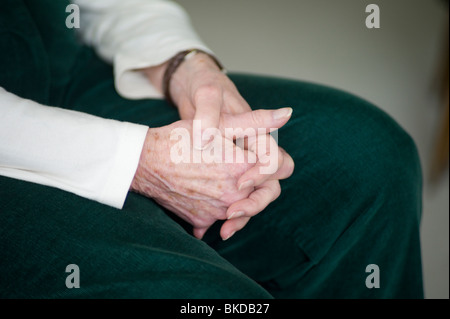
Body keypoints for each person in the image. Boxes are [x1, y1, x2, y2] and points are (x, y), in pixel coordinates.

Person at [0, 0, 424, 299]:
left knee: (369, 158)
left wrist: (185, 66)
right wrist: (139, 161)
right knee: (206, 296)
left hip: (65, 71)